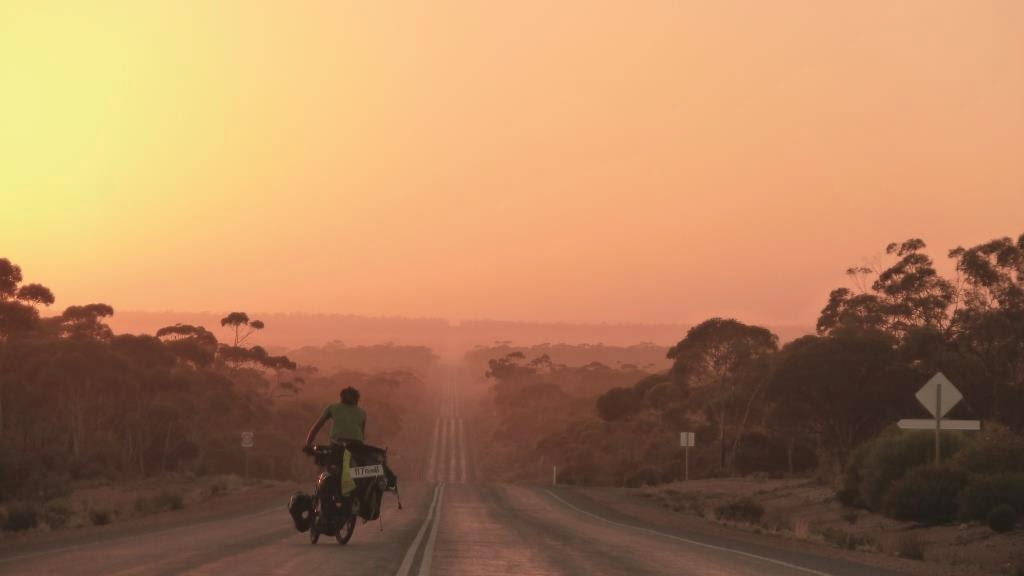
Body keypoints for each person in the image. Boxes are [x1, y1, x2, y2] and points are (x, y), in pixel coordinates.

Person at [304, 386, 397, 491]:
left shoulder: (333, 407)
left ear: (341, 398)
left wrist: (308, 443)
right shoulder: (362, 413)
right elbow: (361, 437)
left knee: (326, 470)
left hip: (337, 446)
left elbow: (316, 427)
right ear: (356, 400)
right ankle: (383, 482)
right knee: (366, 470)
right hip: (356, 447)